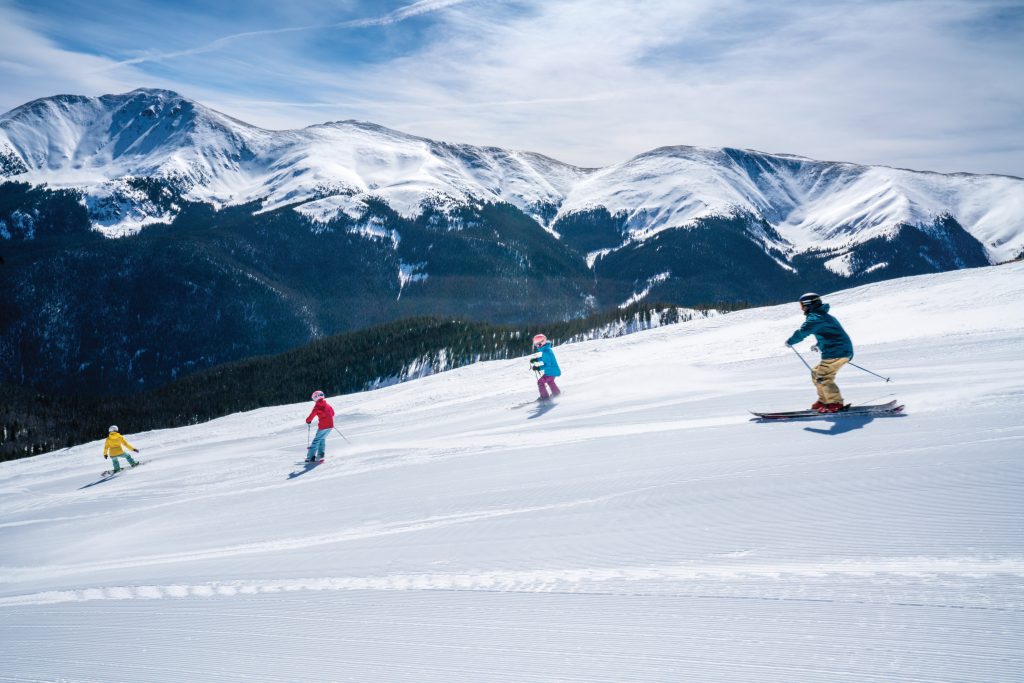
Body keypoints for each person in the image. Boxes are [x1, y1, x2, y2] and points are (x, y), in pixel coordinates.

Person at [785, 292, 854, 413]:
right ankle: (824, 400)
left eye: (802, 305)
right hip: (838, 350)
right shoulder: (824, 316)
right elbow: (831, 334)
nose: (802, 309)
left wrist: (791, 341)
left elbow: (803, 331)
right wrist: (818, 344)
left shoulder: (815, 318)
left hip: (836, 351)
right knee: (816, 373)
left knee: (823, 376)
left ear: (808, 305)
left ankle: (834, 403)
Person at [304, 390, 335, 462]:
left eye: (313, 398)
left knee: (316, 441)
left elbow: (312, 415)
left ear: (316, 397)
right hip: (330, 426)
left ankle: (310, 457)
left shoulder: (317, 406)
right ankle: (320, 454)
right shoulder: (327, 405)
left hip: (323, 426)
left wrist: (308, 420)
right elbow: (333, 413)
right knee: (322, 439)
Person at [530, 334, 562, 400]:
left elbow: (548, 365)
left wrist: (539, 368)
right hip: (552, 371)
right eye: (535, 344)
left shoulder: (546, 352)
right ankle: (556, 393)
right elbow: (544, 359)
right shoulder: (546, 350)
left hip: (550, 372)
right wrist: (537, 360)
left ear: (541, 343)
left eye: (537, 344)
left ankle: (545, 397)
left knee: (540, 382)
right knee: (550, 381)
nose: (536, 346)